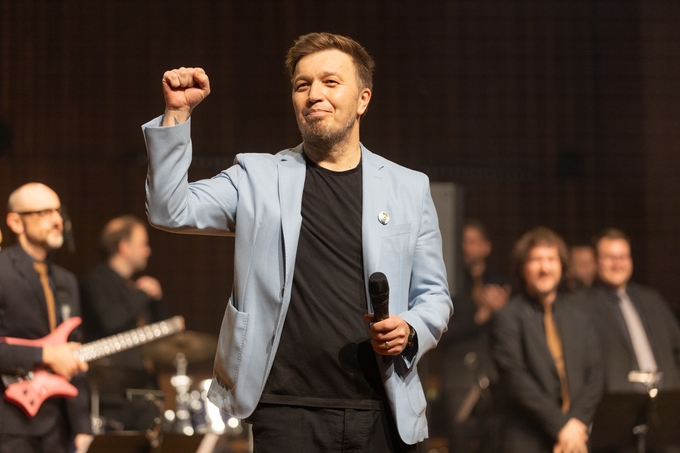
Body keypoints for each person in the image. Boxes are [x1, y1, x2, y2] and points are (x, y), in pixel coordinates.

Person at [142, 32, 452, 452]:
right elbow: (170, 209)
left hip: (382, 409)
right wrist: (177, 115)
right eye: (302, 85)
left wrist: (411, 329)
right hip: (286, 411)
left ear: (363, 99)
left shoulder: (408, 188)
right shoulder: (257, 177)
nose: (313, 95)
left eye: (330, 82)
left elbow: (434, 295)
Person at [491, 227, 602, 453]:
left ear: (562, 266)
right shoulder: (507, 317)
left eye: (551, 259)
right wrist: (562, 427)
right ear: (522, 268)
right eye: (536, 260)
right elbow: (516, 380)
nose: (544, 268)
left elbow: (596, 376)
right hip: (528, 441)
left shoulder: (580, 316)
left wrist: (576, 425)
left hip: (576, 440)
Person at [0, 183, 92, 453]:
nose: (57, 220)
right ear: (16, 222)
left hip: (57, 428)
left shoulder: (66, 281)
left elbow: (74, 356)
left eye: (58, 211)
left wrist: (82, 427)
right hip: (9, 425)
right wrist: (45, 354)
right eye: (44, 212)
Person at [80, 215, 168, 431]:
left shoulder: (132, 288)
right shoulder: (95, 282)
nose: (148, 251)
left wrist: (156, 300)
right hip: (114, 396)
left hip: (144, 392)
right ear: (124, 247)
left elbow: (163, 335)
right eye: (143, 244)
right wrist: (142, 295)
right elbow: (110, 321)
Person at [576, 229, 680, 392]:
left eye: (623, 257)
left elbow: (676, 348)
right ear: (596, 261)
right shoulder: (580, 306)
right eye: (610, 257)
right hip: (616, 400)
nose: (617, 263)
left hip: (667, 396)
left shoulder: (652, 300)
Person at [440, 219, 511, 453]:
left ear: (486, 246)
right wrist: (480, 317)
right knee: (459, 441)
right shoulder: (449, 283)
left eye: (472, 241)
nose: (466, 247)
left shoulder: (500, 283)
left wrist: (502, 312)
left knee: (495, 440)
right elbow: (442, 331)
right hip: (458, 376)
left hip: (493, 374)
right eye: (463, 242)